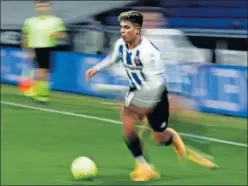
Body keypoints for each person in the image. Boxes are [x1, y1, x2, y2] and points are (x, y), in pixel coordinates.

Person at [86, 10, 187, 182]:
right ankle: (144, 167)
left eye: (127, 28)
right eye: (122, 27)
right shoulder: (121, 44)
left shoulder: (149, 52)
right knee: (127, 125)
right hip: (137, 91)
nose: (123, 31)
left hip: (156, 94)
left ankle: (171, 137)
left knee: (159, 138)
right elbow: (113, 58)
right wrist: (96, 68)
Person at [21, 0, 67, 103]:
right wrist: (28, 50)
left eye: (44, 6)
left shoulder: (56, 21)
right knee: (39, 72)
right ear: (36, 8)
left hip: (47, 47)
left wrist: (57, 35)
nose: (42, 8)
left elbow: (63, 35)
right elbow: (25, 36)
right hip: (34, 47)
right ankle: (40, 94)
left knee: (43, 72)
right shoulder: (29, 21)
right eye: (39, 6)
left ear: (48, 8)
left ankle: (41, 95)